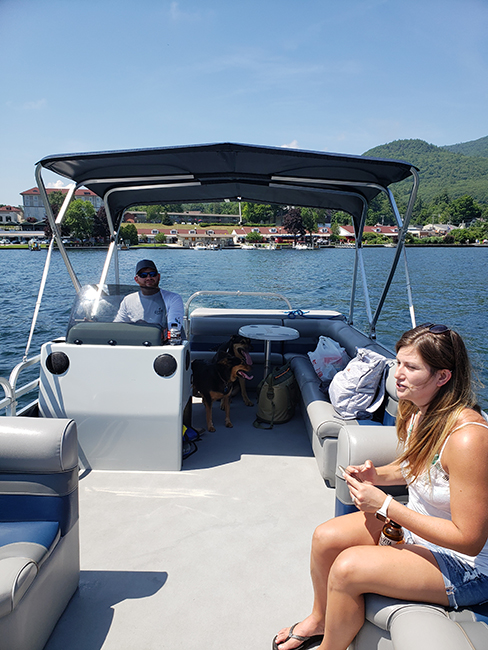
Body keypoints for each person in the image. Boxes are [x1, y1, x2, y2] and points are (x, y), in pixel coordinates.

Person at [273, 323, 488, 650]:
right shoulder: (421, 410)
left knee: (347, 569)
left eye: (411, 367)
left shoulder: (470, 439)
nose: (398, 374)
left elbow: (469, 540)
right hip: (421, 534)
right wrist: (377, 477)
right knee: (325, 537)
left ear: (442, 377)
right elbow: (418, 467)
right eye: (398, 363)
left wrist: (385, 506)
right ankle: (319, 618)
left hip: (465, 567)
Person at [114, 259, 184, 335]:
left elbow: (173, 328)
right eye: (143, 275)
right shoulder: (128, 300)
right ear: (136, 279)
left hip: (164, 344)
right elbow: (117, 326)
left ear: (159, 277)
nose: (148, 278)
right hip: (135, 342)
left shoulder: (173, 299)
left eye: (152, 274)